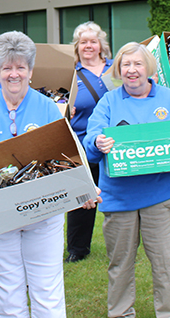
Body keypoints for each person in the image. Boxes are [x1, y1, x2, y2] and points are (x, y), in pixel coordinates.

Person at [0, 31, 100, 317]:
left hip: (43, 215)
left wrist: (84, 188)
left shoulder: (48, 108)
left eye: (20, 67)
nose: (14, 74)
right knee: (8, 292)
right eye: (7, 68)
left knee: (47, 289)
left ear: (30, 71)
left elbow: (69, 153)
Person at [84, 42, 170, 318]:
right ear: (118, 69)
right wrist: (97, 141)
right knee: (119, 264)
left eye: (137, 64)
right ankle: (120, 313)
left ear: (148, 68)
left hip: (164, 195)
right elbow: (90, 145)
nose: (132, 70)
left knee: (168, 263)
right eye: (126, 65)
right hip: (120, 198)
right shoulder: (108, 102)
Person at [66, 21, 113, 264]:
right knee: (81, 196)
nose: (88, 46)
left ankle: (122, 241)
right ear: (77, 46)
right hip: (83, 144)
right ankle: (77, 248)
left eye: (93, 41)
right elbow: (58, 107)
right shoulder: (70, 74)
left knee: (118, 193)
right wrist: (65, 111)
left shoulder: (116, 68)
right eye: (83, 42)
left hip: (116, 143)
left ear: (100, 45)